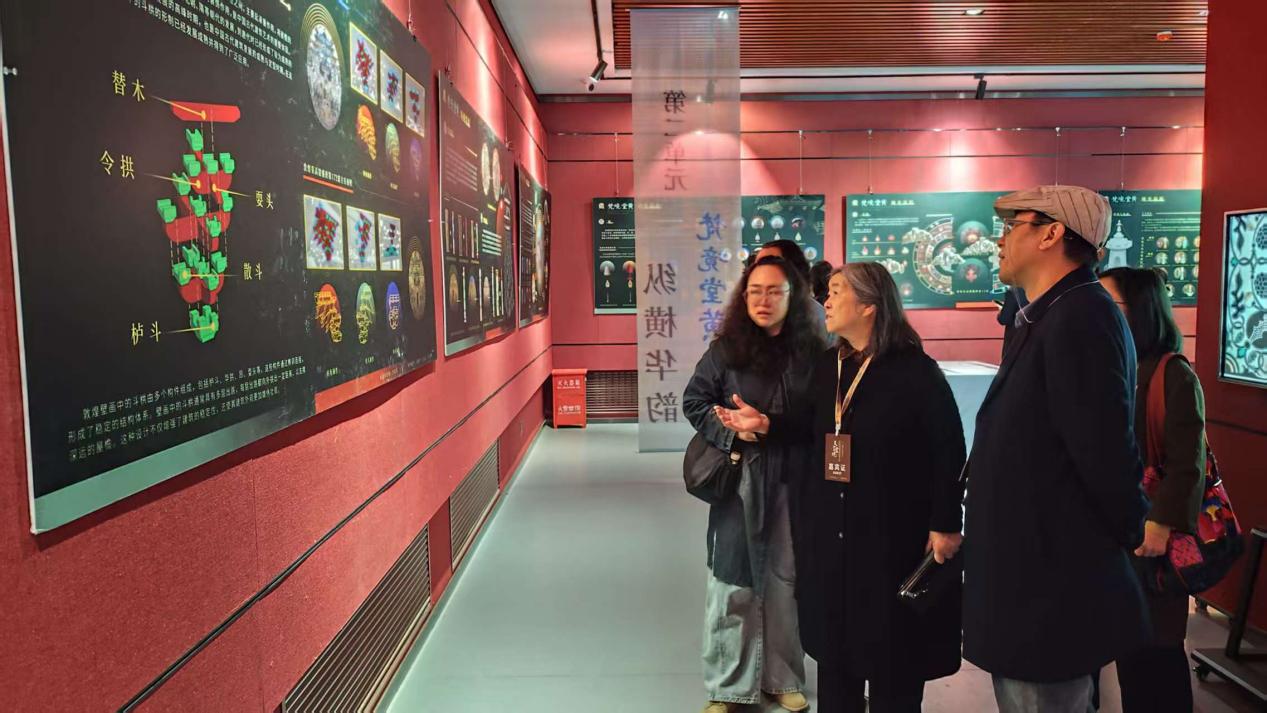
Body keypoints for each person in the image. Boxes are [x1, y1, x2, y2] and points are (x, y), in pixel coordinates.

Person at [719, 262, 967, 713]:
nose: (826, 301)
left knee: (894, 665)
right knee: (836, 663)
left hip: (892, 540)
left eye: (836, 292)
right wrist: (766, 423)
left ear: (869, 306)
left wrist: (946, 523)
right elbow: (807, 426)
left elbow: (949, 450)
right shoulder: (828, 365)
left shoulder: (915, 372)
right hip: (833, 540)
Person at [963, 185, 1150, 713]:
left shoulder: (1080, 316)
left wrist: (1129, 529)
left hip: (1050, 585)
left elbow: (1105, 453)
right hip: (1029, 576)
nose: (999, 240)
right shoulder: (1047, 313)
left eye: (1012, 226)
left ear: (1051, 234)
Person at [683, 256, 828, 713]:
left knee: (786, 579)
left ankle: (782, 677)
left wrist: (771, 426)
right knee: (732, 579)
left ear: (793, 297)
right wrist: (733, 433)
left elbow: (822, 418)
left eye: (773, 291)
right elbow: (695, 400)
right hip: (739, 479)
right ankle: (726, 685)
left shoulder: (814, 353)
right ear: (743, 297)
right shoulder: (727, 350)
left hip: (793, 479)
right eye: (754, 291)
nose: (763, 301)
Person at [1101, 267, 1206, 713]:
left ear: (1140, 310)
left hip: (1153, 537)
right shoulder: (1113, 365)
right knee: (1130, 650)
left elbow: (1188, 463)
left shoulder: (1172, 373)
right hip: (1120, 532)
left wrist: (1161, 524)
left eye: (1109, 304)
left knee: (1158, 651)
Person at [755, 240, 829, 340]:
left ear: (794, 270)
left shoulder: (818, 319)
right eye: (757, 265)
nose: (759, 271)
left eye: (770, 263)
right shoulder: (748, 314)